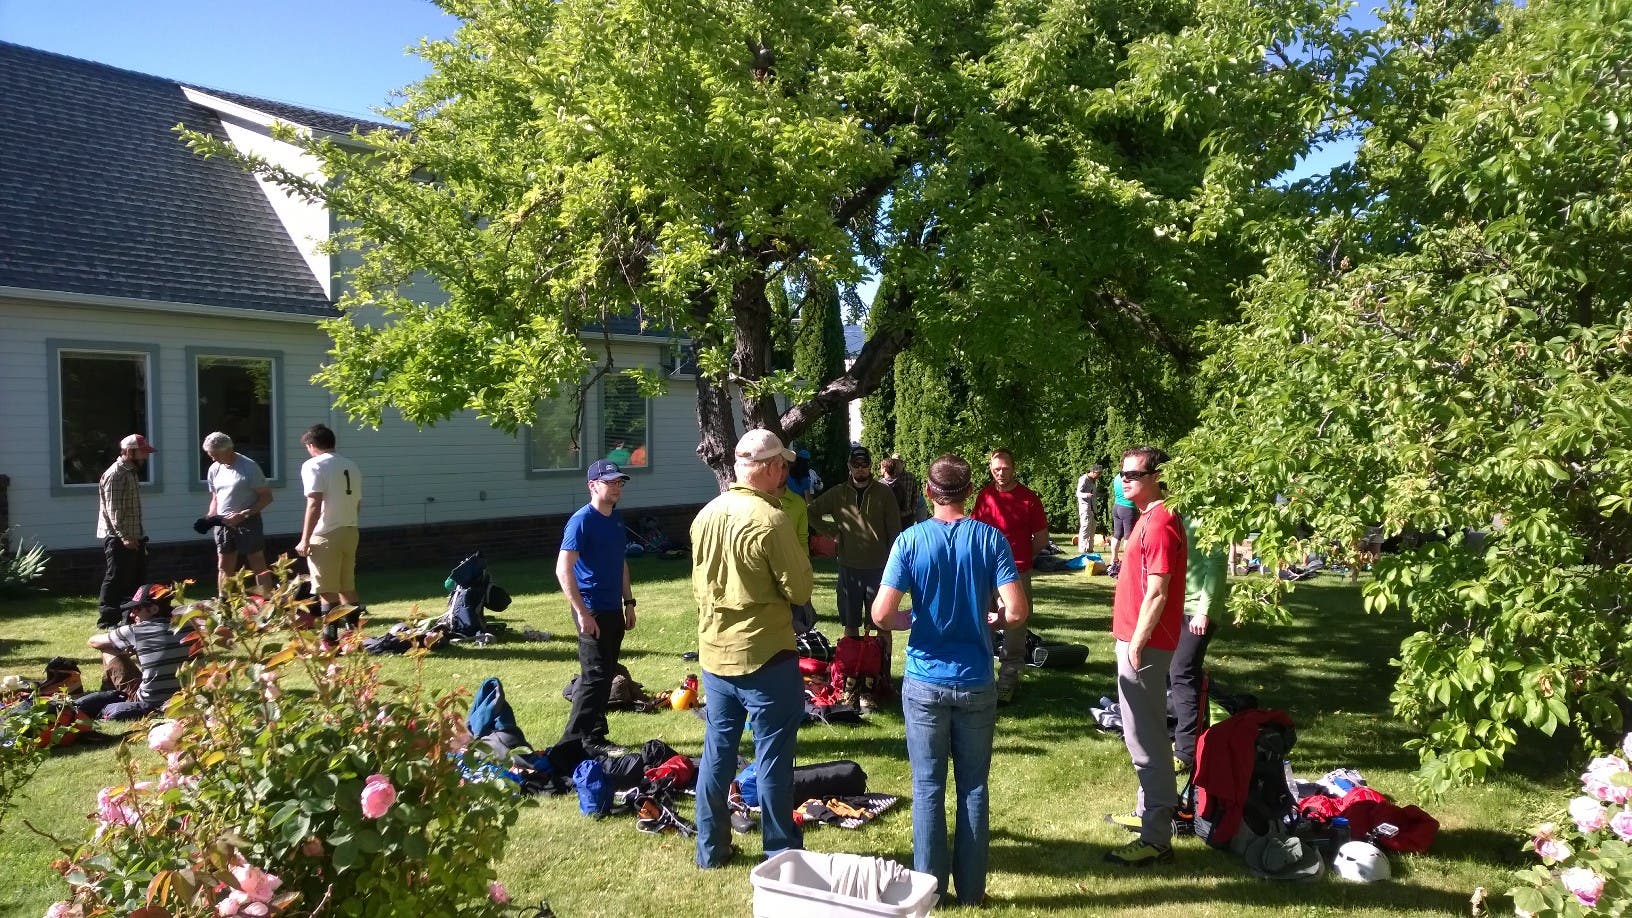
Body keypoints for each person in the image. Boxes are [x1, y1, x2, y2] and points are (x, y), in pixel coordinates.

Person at [871, 453, 1028, 907]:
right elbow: (1016, 612)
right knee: (974, 786)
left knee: (927, 788)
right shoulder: (990, 539)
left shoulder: (910, 540)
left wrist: (912, 620)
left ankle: (929, 892)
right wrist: (990, 621)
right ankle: (973, 892)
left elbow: (881, 614)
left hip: (924, 681)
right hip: (976, 679)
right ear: (971, 492)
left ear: (927, 491)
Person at [690, 429, 814, 869]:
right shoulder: (772, 519)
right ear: (770, 468)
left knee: (717, 754)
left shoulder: (705, 515)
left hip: (715, 653)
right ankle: (779, 850)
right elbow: (799, 589)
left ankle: (710, 848)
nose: (785, 473)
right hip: (764, 655)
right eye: (782, 466)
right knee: (773, 757)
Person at [1103, 446, 1187, 867]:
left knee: (1146, 738)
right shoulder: (1147, 518)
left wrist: (1136, 643)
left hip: (1147, 645)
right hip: (1138, 640)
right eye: (1122, 473)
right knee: (1143, 733)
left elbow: (1158, 590)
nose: (1125, 479)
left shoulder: (1160, 522)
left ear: (1157, 476)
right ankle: (1147, 817)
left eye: (1134, 473)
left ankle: (1156, 838)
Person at [808, 445, 902, 708]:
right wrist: (832, 532)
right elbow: (811, 512)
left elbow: (896, 532)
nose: (860, 469)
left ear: (870, 466)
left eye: (864, 465)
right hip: (849, 568)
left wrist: (896, 567)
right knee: (851, 626)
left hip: (879, 570)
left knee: (881, 625)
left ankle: (882, 679)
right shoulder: (838, 493)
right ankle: (850, 681)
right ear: (849, 467)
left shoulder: (884, 493)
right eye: (855, 465)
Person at [557, 459, 637, 755]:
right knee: (594, 678)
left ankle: (595, 736)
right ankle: (571, 745)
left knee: (604, 676)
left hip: (613, 607)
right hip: (590, 609)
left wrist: (628, 602)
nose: (617, 487)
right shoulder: (581, 521)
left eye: (619, 482)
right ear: (593, 486)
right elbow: (563, 569)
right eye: (610, 482)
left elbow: (621, 563)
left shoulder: (615, 520)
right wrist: (582, 613)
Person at [969, 449, 1048, 703]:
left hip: (1015, 572)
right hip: (985, 570)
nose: (1000, 473)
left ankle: (1008, 679)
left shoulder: (1028, 498)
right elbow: (975, 529)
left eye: (1004, 468)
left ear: (1014, 468)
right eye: (995, 469)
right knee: (982, 622)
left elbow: (1042, 538)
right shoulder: (985, 495)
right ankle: (980, 677)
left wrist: (1022, 559)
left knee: (1014, 626)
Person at [76, 583, 193, 721]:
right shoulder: (188, 627)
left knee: (108, 649)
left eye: (137, 608)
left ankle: (109, 695)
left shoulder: (135, 631)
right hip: (186, 697)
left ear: (154, 609)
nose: (132, 614)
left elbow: (93, 641)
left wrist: (122, 649)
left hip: (149, 701)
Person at [294, 424, 365, 645]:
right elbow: (357, 503)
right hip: (350, 529)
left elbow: (314, 503)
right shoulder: (351, 465)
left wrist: (305, 538)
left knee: (326, 590)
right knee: (347, 587)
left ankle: (329, 640)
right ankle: (354, 637)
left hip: (326, 533)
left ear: (311, 445)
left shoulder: (313, 465)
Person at [1171, 514, 1227, 773]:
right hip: (1177, 607)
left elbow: (1217, 562)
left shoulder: (1207, 516)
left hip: (1198, 611)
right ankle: (1204, 739)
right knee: (1182, 673)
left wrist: (1204, 610)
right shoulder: (1176, 513)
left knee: (1182, 672)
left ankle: (1186, 752)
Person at [202, 432, 274, 595]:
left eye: (215, 454)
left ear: (228, 449)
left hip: (248, 521)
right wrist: (210, 516)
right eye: (210, 455)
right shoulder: (214, 469)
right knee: (223, 565)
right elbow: (215, 498)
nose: (212, 459)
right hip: (223, 524)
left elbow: (267, 497)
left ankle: (268, 604)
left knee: (258, 564)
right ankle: (224, 604)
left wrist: (243, 514)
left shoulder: (249, 467)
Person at [96, 433, 155, 628]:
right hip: (118, 537)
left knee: (135, 578)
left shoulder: (130, 472)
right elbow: (113, 511)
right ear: (130, 452)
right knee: (116, 578)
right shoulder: (116, 474)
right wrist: (124, 537)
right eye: (142, 452)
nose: (145, 456)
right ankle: (107, 620)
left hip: (133, 535)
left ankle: (128, 616)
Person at [777, 476, 817, 634]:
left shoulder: (797, 503)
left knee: (797, 625)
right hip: (765, 572)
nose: (781, 471)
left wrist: (804, 572)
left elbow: (802, 541)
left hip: (791, 570)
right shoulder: (757, 502)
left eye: (784, 467)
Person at [1108, 466, 1140, 578]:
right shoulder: (1129, 477)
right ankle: (1126, 562)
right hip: (1128, 508)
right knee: (1128, 536)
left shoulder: (1117, 477)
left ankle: (1113, 558)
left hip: (1116, 507)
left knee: (1116, 534)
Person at [880, 455, 928, 529]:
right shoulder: (888, 478)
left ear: (903, 464)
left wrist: (912, 511)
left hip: (907, 515)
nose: (896, 465)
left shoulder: (910, 477)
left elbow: (915, 495)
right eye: (894, 463)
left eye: (898, 462)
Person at [1075, 465, 1104, 555]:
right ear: (1093, 472)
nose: (1099, 476)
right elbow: (1078, 493)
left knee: (1092, 528)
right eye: (1098, 474)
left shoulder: (1093, 481)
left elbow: (1094, 494)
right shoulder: (1083, 479)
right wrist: (1086, 495)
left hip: (1093, 508)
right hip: (1085, 507)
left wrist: (1102, 495)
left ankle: (1090, 548)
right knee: (1085, 527)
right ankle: (1082, 549)